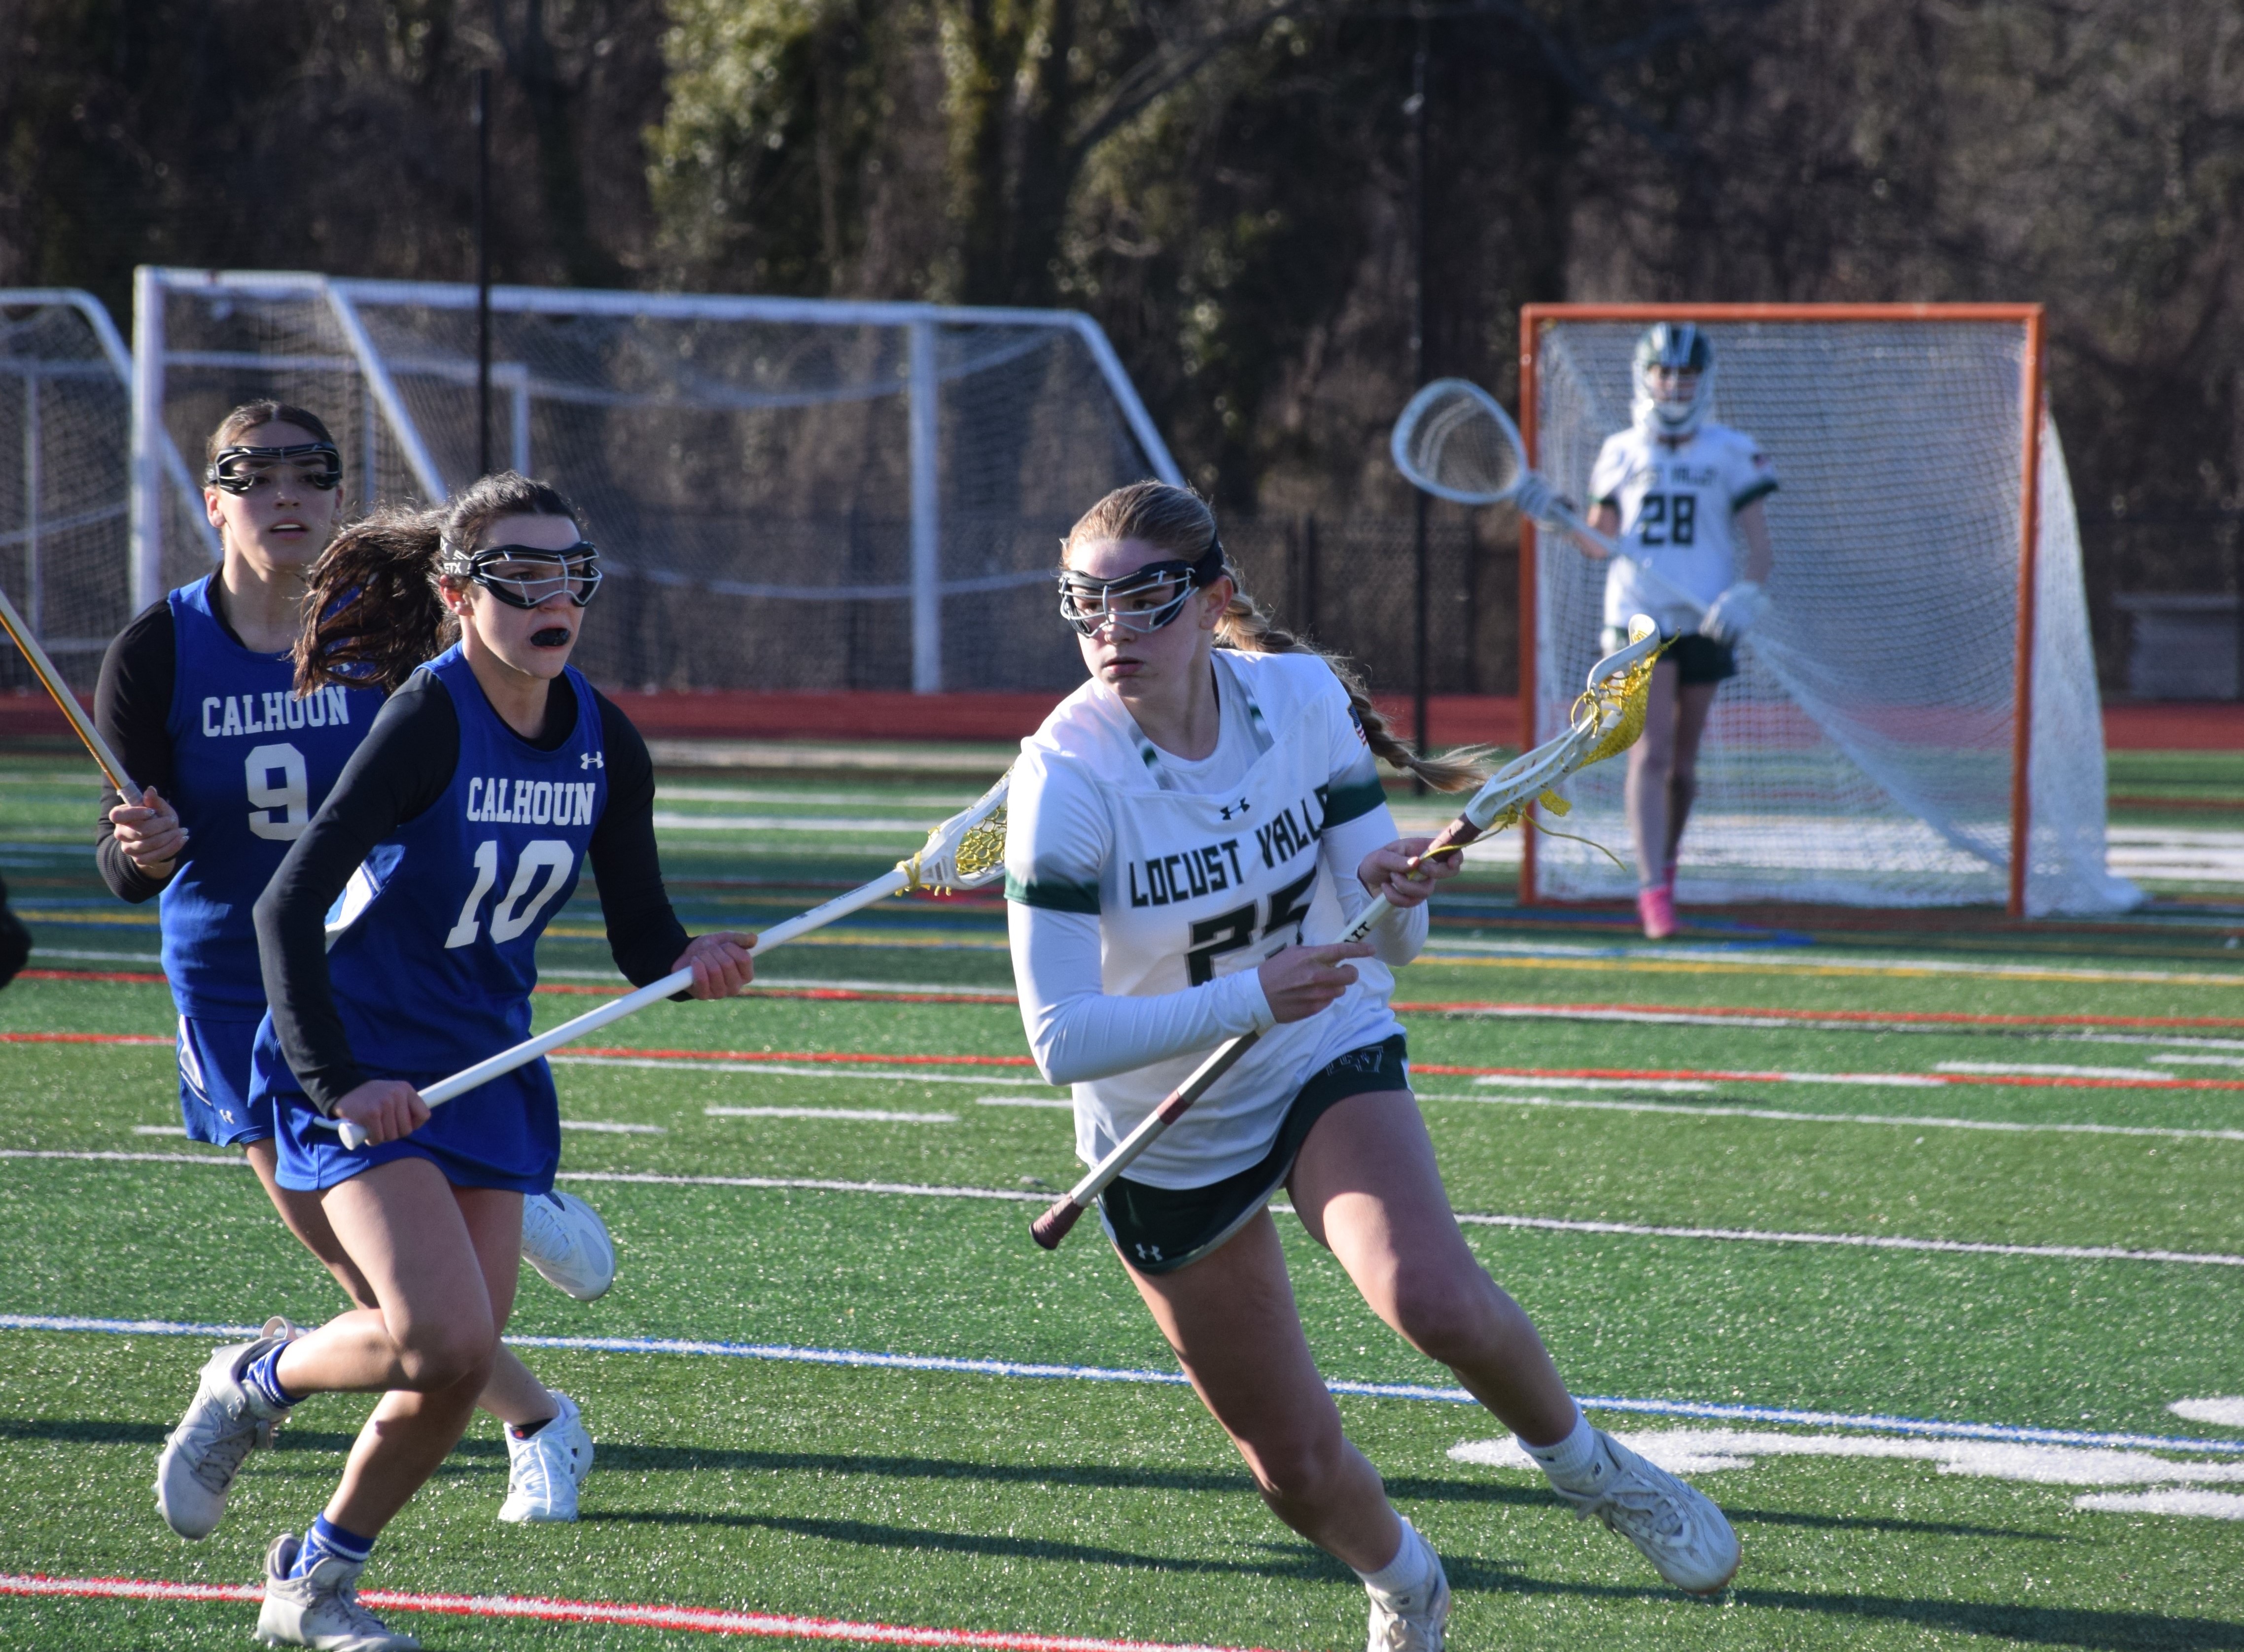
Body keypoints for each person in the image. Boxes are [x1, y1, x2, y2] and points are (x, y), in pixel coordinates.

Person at [1003, 481, 1739, 1652]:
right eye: (1084, 605)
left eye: (1143, 600)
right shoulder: (1067, 774)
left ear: (1212, 603)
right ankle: (1403, 1577)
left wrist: (1397, 896)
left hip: (1315, 1043)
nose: (1111, 632)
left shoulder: (1299, 702)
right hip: (1167, 1121)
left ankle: (1594, 1467)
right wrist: (1253, 986)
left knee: (1429, 1293)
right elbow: (1058, 1037)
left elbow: (1384, 939)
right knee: (1290, 1462)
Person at [148, 468, 757, 1651]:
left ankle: (312, 1578)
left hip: (487, 1069)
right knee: (442, 1335)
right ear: (456, 591)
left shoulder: (603, 739)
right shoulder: (429, 716)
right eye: (520, 572)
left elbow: (640, 934)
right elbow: (287, 909)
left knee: (452, 1363)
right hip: (366, 1065)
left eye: (570, 571)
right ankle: (257, 1379)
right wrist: (335, 1082)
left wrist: (697, 956)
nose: (553, 595)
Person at [101, 405, 612, 1539]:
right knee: (360, 1266)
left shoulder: (384, 633)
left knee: (409, 1287)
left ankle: (523, 1405)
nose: (285, 493)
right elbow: (122, 853)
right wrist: (136, 852)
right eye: (256, 474)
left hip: (392, 986)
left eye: (311, 474)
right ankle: (531, 1406)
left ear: (340, 496)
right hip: (236, 974)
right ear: (211, 498)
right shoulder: (161, 647)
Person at [1526, 323, 1777, 939]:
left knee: (1682, 769)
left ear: (1703, 380)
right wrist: (1557, 519)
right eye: (1664, 373)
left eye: (1684, 374)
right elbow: (1597, 541)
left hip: (1704, 618)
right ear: (1645, 377)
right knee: (1653, 749)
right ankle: (1650, 893)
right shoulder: (1620, 450)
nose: (1673, 385)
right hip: (1637, 616)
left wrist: (1747, 591)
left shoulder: (1730, 450)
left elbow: (1760, 546)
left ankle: (1665, 869)